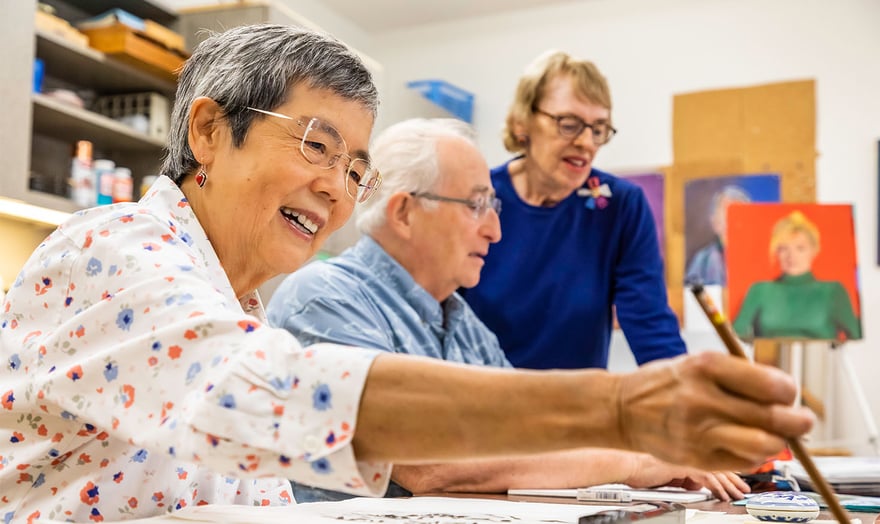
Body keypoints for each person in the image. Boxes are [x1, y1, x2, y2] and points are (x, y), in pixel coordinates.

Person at [0, 25, 812, 523]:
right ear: (209, 131)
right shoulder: (114, 250)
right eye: (316, 145)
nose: (337, 187)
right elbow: (283, 392)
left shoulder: (232, 300)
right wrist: (625, 416)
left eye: (355, 166)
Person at [267, 118, 749, 503]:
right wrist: (638, 461)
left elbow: (528, 438)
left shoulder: (463, 323)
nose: (495, 231)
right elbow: (426, 464)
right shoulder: (324, 300)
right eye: (477, 206)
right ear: (404, 213)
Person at [463, 50, 685, 370]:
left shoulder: (620, 206)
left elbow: (649, 321)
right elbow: (436, 316)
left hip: (577, 407)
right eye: (569, 124)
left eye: (599, 129)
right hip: (482, 402)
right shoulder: (475, 199)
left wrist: (684, 388)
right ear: (522, 124)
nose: (587, 142)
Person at [733, 210, 861, 341]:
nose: (791, 256)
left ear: (814, 250)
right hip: (767, 360)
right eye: (784, 248)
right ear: (776, 252)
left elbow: (857, 337)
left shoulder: (832, 292)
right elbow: (735, 337)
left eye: (800, 248)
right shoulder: (760, 291)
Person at [685, 185, 751, 286]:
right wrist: (712, 302)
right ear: (715, 223)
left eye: (741, 215)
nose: (736, 222)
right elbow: (693, 291)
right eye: (728, 214)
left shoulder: (761, 257)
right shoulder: (703, 260)